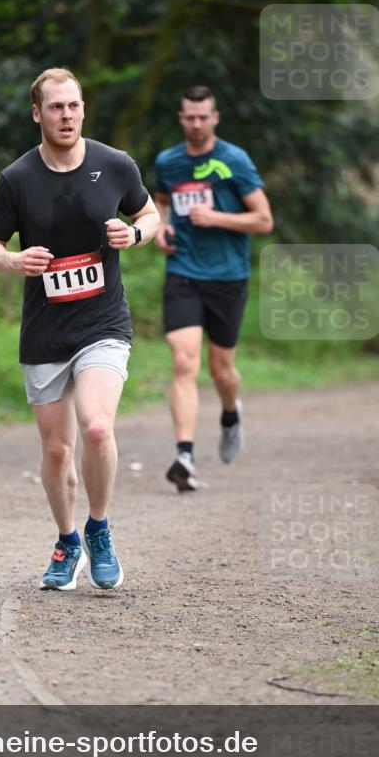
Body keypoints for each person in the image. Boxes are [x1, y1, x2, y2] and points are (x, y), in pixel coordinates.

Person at [0, 67, 159, 592]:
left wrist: (135, 233)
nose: (66, 115)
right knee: (57, 451)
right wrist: (15, 261)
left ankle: (99, 529)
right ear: (38, 113)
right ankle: (67, 540)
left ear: (83, 109)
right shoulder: (17, 179)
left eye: (74, 106)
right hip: (45, 331)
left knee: (97, 427)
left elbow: (151, 215)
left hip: (103, 320)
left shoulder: (114, 164)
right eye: (56, 107)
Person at [154, 85, 273, 492]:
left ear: (215, 118)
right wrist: (162, 229)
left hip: (227, 276)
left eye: (204, 116)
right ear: (180, 118)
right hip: (183, 271)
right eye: (189, 116)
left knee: (222, 370)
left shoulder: (233, 160)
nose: (197, 123)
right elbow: (162, 205)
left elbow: (263, 220)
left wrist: (218, 217)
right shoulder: (168, 161)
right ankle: (184, 454)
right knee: (184, 363)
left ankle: (229, 413)